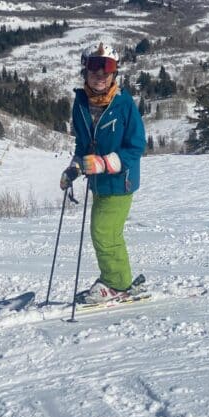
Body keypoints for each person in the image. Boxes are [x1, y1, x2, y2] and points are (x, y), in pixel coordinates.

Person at [60, 43, 146, 303]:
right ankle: (119, 278)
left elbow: (136, 147)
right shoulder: (81, 103)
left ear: (114, 73)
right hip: (98, 183)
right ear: (85, 71)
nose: (100, 75)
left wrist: (106, 163)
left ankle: (116, 282)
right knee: (107, 233)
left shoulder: (124, 104)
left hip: (121, 181)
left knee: (103, 232)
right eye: (94, 68)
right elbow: (83, 143)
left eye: (107, 69)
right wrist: (75, 166)